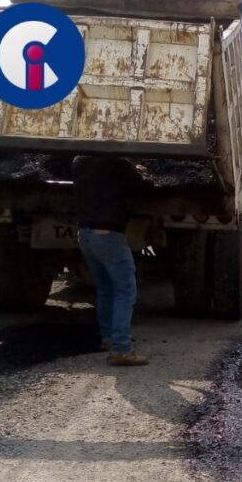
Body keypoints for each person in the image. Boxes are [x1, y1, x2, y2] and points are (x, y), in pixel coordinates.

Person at [72, 155, 152, 367]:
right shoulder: (118, 163)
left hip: (85, 234)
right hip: (108, 235)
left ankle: (108, 339)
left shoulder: (79, 161)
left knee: (105, 288)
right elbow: (142, 188)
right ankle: (122, 350)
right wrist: (142, 172)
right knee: (125, 290)